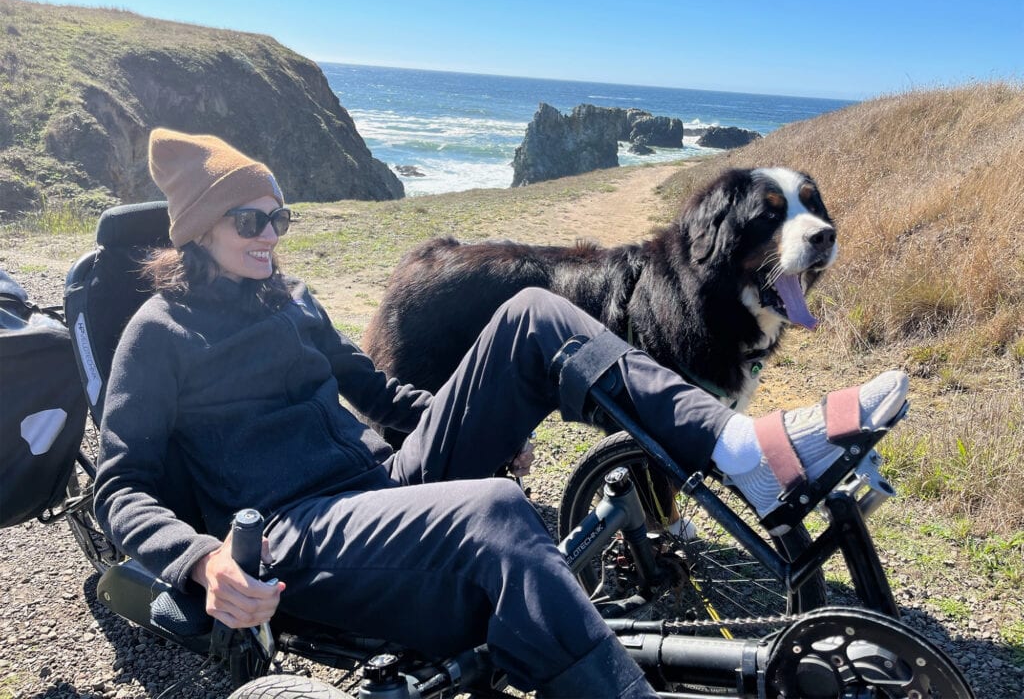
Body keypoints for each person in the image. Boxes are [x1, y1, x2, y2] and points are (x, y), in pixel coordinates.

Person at [94, 129, 909, 698]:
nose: (271, 234)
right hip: (293, 534)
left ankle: (745, 451)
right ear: (197, 230)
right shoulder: (159, 334)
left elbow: (373, 391)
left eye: (279, 217)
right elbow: (121, 484)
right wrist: (203, 562)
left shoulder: (292, 301)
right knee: (494, 510)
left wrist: (470, 417)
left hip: (373, 485)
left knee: (530, 313)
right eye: (250, 220)